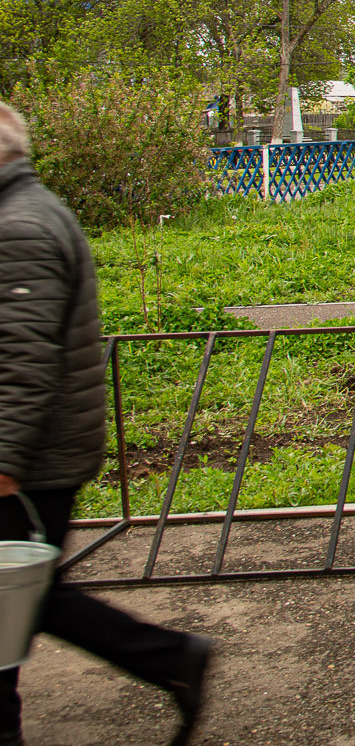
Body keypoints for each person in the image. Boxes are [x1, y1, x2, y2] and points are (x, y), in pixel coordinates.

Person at [0, 101, 212, 746]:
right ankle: (168, 658)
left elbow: (22, 359)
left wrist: (4, 460)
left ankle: (168, 656)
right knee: (22, 596)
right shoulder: (27, 213)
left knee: (21, 596)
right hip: (42, 449)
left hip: (33, 457)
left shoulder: (21, 228)